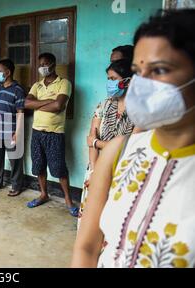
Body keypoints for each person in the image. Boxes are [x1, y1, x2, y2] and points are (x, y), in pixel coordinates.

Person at [72, 9, 195, 268]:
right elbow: (86, 247)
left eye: (160, 69)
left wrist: (95, 141)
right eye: (139, 71)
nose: (143, 84)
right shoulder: (121, 150)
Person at [78, 59, 140, 226]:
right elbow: (91, 137)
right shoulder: (104, 105)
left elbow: (130, 146)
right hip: (96, 167)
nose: (109, 83)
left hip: (123, 172)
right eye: (108, 79)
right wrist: (95, 171)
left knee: (114, 222)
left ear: (127, 81)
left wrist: (98, 143)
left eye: (113, 79)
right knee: (91, 220)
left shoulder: (140, 110)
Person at [24, 52, 77, 216]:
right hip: (37, 133)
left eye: (45, 64)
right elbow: (26, 103)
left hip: (54, 133)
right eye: (40, 64)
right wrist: (49, 102)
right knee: (39, 166)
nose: (42, 67)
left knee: (59, 168)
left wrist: (37, 105)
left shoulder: (64, 83)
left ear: (53, 64)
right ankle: (43, 194)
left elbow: (59, 106)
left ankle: (68, 200)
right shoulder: (37, 85)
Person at [0, 59, 25, 196]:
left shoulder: (18, 90)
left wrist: (17, 133)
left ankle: (16, 186)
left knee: (15, 160)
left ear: (7, 72)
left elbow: (20, 113)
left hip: (11, 132)